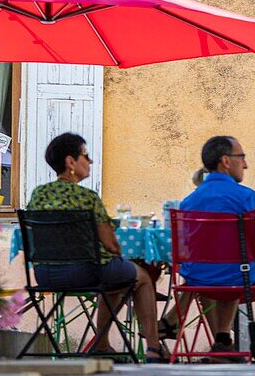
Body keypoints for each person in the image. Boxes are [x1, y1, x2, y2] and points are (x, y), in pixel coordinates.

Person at [27, 132, 167, 363]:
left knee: (114, 276)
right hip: (87, 272)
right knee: (139, 276)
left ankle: (102, 345)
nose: (90, 161)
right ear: (71, 162)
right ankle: (153, 348)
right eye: (86, 155)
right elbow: (111, 244)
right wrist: (120, 252)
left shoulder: (38, 194)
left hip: (45, 275)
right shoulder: (88, 197)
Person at [179, 135, 255, 362]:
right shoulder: (245, 197)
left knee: (226, 265)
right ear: (225, 160)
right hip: (239, 278)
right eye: (241, 157)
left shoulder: (187, 203)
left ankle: (222, 342)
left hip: (199, 281)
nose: (245, 164)